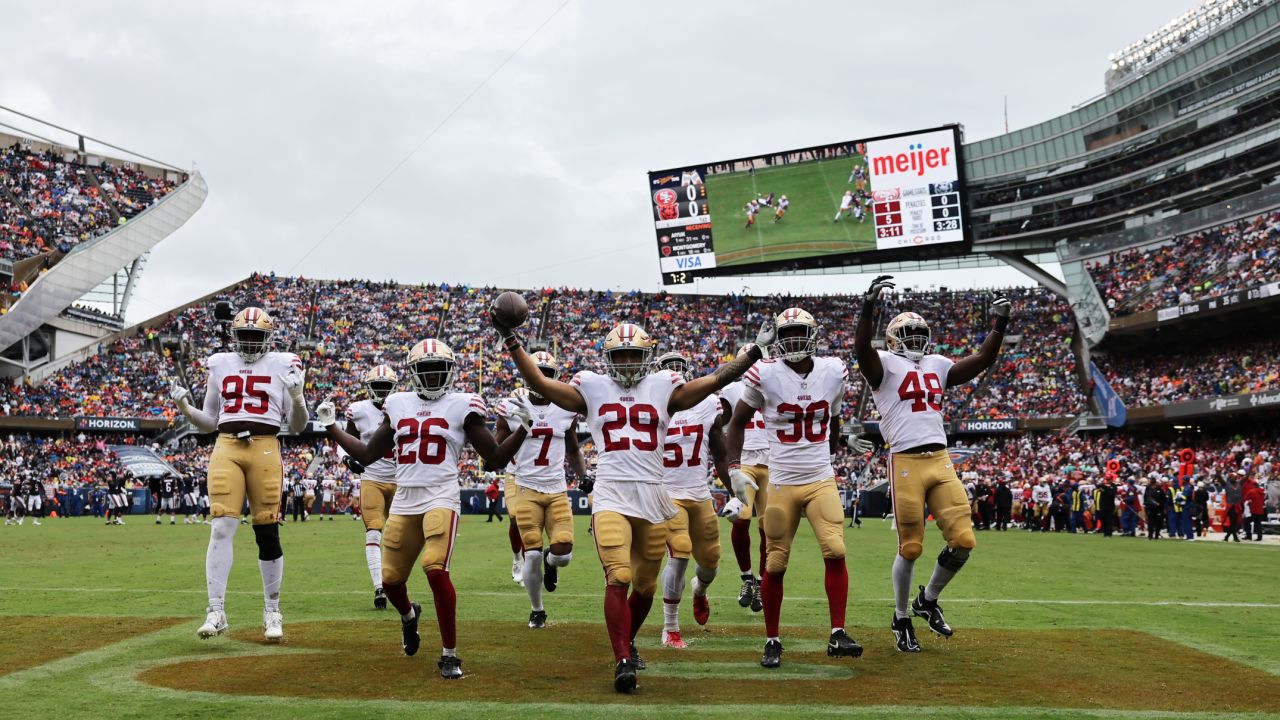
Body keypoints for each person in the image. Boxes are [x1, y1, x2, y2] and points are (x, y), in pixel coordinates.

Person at [492, 311, 767, 694]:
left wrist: (753, 352)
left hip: (653, 494)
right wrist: (510, 338)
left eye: (632, 355)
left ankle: (629, 642)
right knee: (618, 576)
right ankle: (622, 659)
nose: (626, 362)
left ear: (647, 356)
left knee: (645, 587)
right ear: (608, 357)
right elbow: (537, 380)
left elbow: (715, 380)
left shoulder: (662, 385)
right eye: (619, 355)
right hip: (611, 492)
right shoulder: (591, 386)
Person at [317, 339, 524, 680]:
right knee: (391, 580)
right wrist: (332, 428)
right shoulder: (397, 403)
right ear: (412, 373)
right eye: (424, 370)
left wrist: (524, 431)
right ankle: (409, 616)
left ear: (450, 372)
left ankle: (449, 653)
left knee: (434, 567)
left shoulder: (462, 405)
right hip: (404, 498)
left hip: (440, 495)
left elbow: (496, 458)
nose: (430, 377)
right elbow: (368, 455)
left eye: (436, 370)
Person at [855, 275, 1011, 654]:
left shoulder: (938, 363)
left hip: (940, 459)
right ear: (892, 338)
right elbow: (862, 352)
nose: (913, 338)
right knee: (910, 547)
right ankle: (900, 617)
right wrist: (867, 307)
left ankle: (927, 600)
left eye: (918, 332)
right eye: (906, 332)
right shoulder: (885, 365)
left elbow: (983, 359)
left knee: (964, 540)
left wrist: (999, 323)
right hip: (905, 459)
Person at [727, 307, 862, 668]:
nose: (794, 341)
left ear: (814, 336)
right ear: (778, 340)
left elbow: (832, 420)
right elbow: (737, 423)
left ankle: (837, 632)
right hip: (782, 481)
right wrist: (733, 468)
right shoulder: (764, 373)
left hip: (820, 478)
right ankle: (772, 639)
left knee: (835, 549)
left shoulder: (833, 372)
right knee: (775, 563)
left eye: (800, 333)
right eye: (787, 335)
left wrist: (840, 440)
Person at [169, 306, 310, 642]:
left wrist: (297, 396)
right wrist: (185, 408)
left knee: (267, 531)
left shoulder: (284, 362)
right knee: (220, 526)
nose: (248, 343)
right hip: (226, 446)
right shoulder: (220, 363)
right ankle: (215, 611)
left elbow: (298, 426)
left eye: (255, 336)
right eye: (243, 336)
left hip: (264, 447)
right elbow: (209, 421)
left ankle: (272, 610)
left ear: (268, 338)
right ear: (234, 337)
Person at [493, 351, 587, 629]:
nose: (542, 378)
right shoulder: (511, 406)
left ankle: (551, 561)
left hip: (557, 489)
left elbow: (572, 447)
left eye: (547, 373)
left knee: (563, 554)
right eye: (538, 372)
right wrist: (520, 428)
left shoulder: (565, 407)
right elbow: (496, 453)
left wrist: (582, 476)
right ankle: (537, 610)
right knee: (530, 552)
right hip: (526, 488)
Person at [655, 352, 728, 649]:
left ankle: (700, 590)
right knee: (680, 552)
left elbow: (721, 452)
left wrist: (734, 487)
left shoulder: (707, 404)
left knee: (710, 562)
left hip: (698, 494)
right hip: (667, 494)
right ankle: (670, 628)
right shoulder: (650, 406)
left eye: (679, 369)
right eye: (668, 369)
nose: (674, 374)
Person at [341, 363, 400, 610]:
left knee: (399, 537)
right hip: (372, 478)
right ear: (369, 388)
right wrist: (347, 459)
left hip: (400, 480)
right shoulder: (359, 411)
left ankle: (396, 583)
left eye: (387, 387)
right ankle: (379, 586)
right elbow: (347, 440)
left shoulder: (403, 406)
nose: (383, 392)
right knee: (374, 531)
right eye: (379, 387)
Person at [719, 363, 769, 613]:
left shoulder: (777, 381)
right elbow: (718, 422)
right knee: (741, 518)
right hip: (745, 461)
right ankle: (747, 578)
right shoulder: (732, 389)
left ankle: (760, 581)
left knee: (769, 528)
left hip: (773, 461)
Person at [1243, 477, 1266, 542]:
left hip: (1253, 510)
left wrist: (1250, 501)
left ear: (1253, 485)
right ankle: (1259, 537)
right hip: (1260, 511)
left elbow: (1245, 499)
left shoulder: (1251, 491)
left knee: (1246, 522)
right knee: (1258, 524)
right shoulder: (1262, 492)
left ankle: (1249, 536)